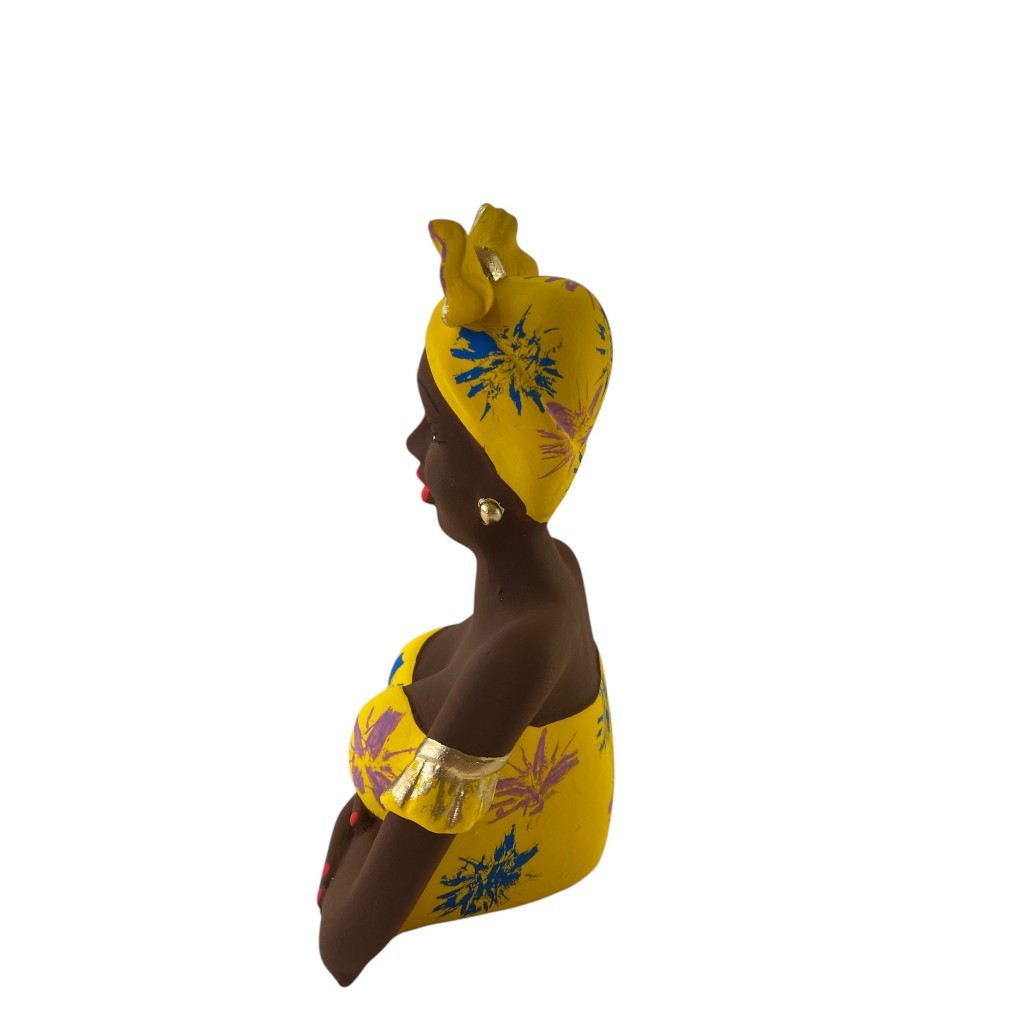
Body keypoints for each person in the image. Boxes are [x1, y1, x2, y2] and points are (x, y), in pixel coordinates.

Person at [318, 204, 614, 986]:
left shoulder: (522, 648)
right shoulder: (553, 570)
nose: (414, 445)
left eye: (440, 432)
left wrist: (358, 834)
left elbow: (342, 948)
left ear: (502, 472)